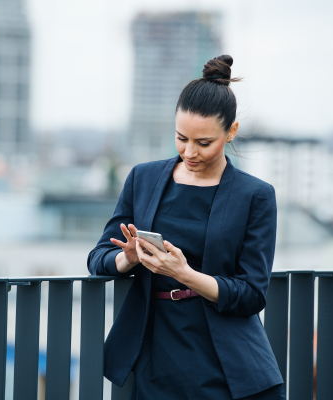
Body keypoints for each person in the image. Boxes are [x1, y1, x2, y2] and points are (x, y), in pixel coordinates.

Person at [87, 55, 285, 399]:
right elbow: (98, 257)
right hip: (157, 349)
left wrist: (184, 273)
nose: (189, 152)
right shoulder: (143, 178)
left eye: (203, 143)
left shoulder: (255, 196)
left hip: (226, 356)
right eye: (181, 138)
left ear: (231, 131)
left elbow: (252, 293)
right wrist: (128, 258)